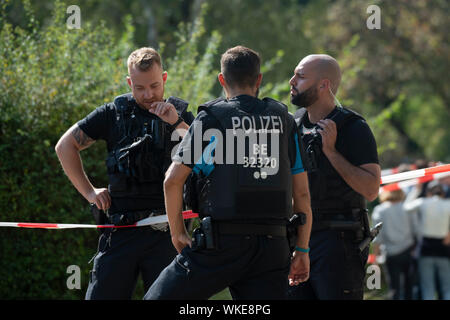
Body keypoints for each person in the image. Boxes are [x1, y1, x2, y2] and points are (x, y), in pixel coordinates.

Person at [143, 46, 312, 300]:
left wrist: (178, 233)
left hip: (220, 245)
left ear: (222, 80)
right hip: (273, 248)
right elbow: (302, 194)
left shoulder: (211, 118)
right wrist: (302, 249)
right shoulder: (285, 121)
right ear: (259, 80)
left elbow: (172, 181)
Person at [55, 47, 194, 299]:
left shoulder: (180, 115)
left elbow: (206, 154)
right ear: (129, 82)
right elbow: (65, 146)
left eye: (154, 85)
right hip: (120, 230)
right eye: (139, 88)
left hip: (167, 232)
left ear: (164, 78)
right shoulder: (113, 113)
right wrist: (90, 192)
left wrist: (176, 123)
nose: (148, 94)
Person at [287, 54, 381, 300]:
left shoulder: (353, 127)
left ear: (323, 85)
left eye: (301, 76)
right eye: (295, 74)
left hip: (338, 242)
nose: (292, 81)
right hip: (300, 241)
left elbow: (371, 190)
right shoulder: (293, 124)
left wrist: (331, 152)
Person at [404, 181, 450, 300]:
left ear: (428, 192)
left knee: (427, 286)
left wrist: (416, 190)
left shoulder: (423, 202)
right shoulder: (448, 204)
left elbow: (406, 207)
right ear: (443, 193)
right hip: (444, 248)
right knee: (447, 287)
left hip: (426, 247)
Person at [372, 189, 418, 300]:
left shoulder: (380, 210)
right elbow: (416, 229)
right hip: (408, 250)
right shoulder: (407, 207)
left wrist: (375, 256)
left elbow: (377, 236)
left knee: (394, 287)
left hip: (390, 253)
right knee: (409, 286)